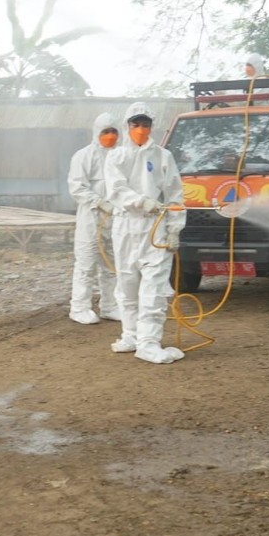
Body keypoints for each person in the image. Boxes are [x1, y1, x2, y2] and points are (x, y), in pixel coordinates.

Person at [104, 102, 187, 365]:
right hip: (125, 226)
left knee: (154, 288)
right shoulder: (116, 157)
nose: (140, 129)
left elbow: (175, 195)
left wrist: (174, 229)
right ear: (127, 125)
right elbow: (116, 190)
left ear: (152, 127)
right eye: (135, 124)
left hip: (155, 227)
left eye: (145, 125)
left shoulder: (163, 156)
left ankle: (149, 343)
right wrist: (141, 201)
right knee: (127, 285)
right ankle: (131, 335)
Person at [67, 113, 120, 325]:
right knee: (86, 263)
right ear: (97, 132)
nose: (110, 136)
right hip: (91, 217)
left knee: (112, 265)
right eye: (106, 131)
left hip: (114, 218)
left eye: (114, 131)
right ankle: (79, 308)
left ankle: (110, 306)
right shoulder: (83, 156)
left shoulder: (121, 156)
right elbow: (76, 187)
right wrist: (98, 202)